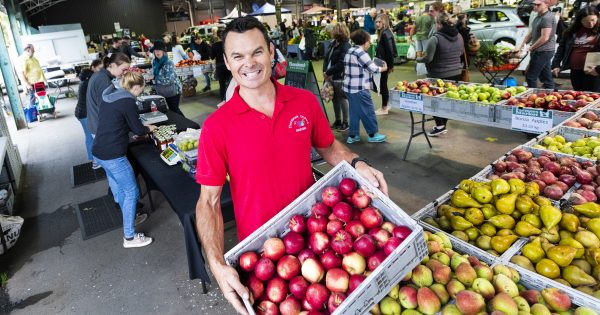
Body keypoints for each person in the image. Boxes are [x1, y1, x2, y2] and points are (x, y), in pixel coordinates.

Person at [195, 16, 388, 315]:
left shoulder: (304, 102)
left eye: (257, 52)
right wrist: (217, 263)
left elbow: (329, 147)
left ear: (272, 52)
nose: (249, 63)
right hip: (262, 254)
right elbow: (208, 202)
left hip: (316, 236)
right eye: (238, 56)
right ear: (227, 62)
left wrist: (358, 163)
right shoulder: (216, 127)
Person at [92, 72, 156, 248]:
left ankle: (130, 218)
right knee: (131, 192)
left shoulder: (111, 96)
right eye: (140, 91)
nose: (139, 94)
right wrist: (148, 128)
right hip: (114, 155)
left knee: (120, 190)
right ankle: (129, 237)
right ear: (135, 87)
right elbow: (138, 129)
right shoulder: (128, 101)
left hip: (99, 151)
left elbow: (114, 122)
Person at [417, 12, 464, 136]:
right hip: (456, 72)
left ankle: (440, 125)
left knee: (434, 99)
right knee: (447, 98)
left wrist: (416, 59)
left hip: (438, 73)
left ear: (438, 24)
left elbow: (428, 58)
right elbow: (460, 53)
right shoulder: (459, 36)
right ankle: (443, 124)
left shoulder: (435, 38)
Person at [343, 29, 389, 144]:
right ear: (364, 41)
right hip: (360, 88)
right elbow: (373, 69)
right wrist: (384, 68)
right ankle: (373, 134)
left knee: (354, 111)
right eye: (369, 41)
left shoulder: (350, 50)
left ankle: (353, 135)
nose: (369, 43)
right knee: (368, 111)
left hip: (348, 88)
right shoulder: (361, 53)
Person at [552, 6, 600, 92]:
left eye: (593, 20)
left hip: (593, 71)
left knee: (592, 96)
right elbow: (561, 48)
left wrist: (598, 69)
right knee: (578, 95)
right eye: (586, 21)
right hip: (575, 70)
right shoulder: (572, 31)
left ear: (598, 17)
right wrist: (556, 64)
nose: (590, 24)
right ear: (580, 20)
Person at [518, 0, 556, 89]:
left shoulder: (547, 17)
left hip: (543, 51)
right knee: (546, 77)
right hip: (541, 50)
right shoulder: (538, 17)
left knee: (531, 76)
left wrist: (530, 48)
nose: (535, 6)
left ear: (547, 4)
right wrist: (522, 45)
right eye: (534, 4)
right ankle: (551, 96)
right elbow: (531, 33)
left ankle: (532, 96)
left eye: (538, 5)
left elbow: (545, 37)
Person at [75, 59, 103, 167]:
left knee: (89, 136)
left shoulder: (86, 77)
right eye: (99, 68)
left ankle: (94, 159)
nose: (101, 71)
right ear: (93, 67)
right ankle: (95, 161)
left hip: (81, 112)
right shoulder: (90, 80)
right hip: (85, 113)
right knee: (92, 137)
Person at [323, 24, 351, 131]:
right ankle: (338, 120)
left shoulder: (345, 45)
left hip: (340, 76)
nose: (331, 32)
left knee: (342, 99)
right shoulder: (333, 44)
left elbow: (341, 63)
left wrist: (328, 72)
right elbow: (326, 59)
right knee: (335, 99)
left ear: (338, 32)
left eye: (333, 30)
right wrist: (325, 71)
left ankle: (345, 122)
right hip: (331, 76)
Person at [151, 41, 184, 116]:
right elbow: (154, 73)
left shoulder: (169, 62)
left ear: (163, 51)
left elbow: (170, 79)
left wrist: (155, 79)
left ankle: (188, 125)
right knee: (169, 110)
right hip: (162, 90)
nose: (157, 52)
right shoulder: (154, 62)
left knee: (175, 110)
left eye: (159, 50)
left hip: (173, 91)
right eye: (155, 50)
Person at [375, 14, 397, 116]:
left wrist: (390, 66)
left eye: (379, 22)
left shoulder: (385, 34)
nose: (377, 24)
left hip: (384, 64)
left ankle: (384, 108)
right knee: (383, 84)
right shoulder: (385, 33)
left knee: (383, 85)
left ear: (385, 22)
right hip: (384, 63)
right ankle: (386, 105)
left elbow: (390, 51)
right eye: (376, 22)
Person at [17, 44, 46, 110]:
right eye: (32, 51)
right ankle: (34, 112)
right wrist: (27, 84)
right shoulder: (23, 59)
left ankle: (44, 110)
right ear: (28, 50)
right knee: (33, 97)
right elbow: (21, 73)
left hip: (39, 81)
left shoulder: (32, 57)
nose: (34, 52)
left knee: (42, 96)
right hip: (32, 83)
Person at [211, 30, 232, 101]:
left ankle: (223, 100)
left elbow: (212, 57)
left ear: (217, 36)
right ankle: (231, 98)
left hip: (219, 66)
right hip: (229, 66)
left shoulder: (214, 45)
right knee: (230, 83)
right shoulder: (228, 44)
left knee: (222, 84)